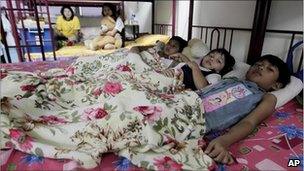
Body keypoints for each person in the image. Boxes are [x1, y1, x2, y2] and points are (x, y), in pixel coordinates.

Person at [197, 54, 291, 164]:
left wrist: (224, 141)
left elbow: (250, 122)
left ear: (276, 85)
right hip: (185, 100)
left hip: (198, 120)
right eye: (258, 64)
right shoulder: (231, 80)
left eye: (269, 69)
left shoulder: (266, 97)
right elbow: (204, 90)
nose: (260, 67)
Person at [162, 48, 235, 91]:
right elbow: (189, 63)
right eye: (211, 55)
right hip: (167, 75)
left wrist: (195, 67)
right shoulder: (198, 65)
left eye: (218, 61)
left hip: (175, 86)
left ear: (220, 70)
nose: (212, 59)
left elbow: (204, 88)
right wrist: (181, 55)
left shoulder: (214, 75)